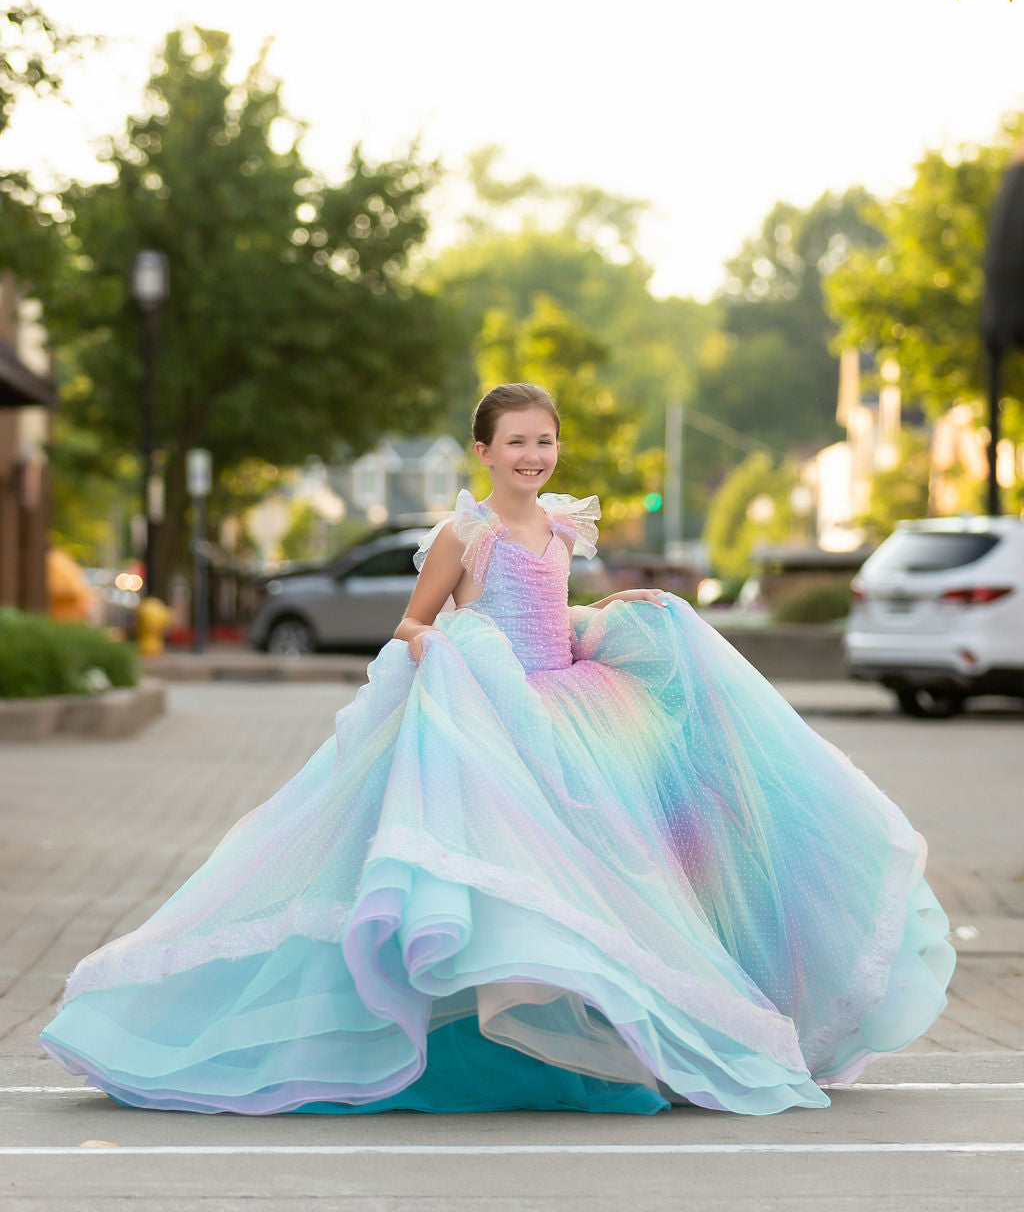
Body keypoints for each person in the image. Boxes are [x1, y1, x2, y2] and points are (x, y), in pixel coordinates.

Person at [39, 382, 954, 1117]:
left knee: (613, 865)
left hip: (574, 705)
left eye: (544, 441)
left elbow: (554, 618)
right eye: (516, 442)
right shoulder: (465, 532)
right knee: (513, 869)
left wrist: (607, 614)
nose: (533, 455)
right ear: (484, 451)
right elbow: (413, 620)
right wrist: (444, 646)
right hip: (492, 708)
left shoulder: (560, 526)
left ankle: (622, 1032)